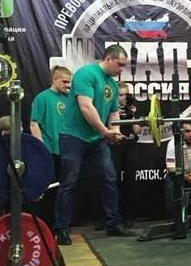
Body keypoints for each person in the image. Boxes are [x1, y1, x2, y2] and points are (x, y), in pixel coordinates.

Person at [54, 45, 133, 245]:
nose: (121, 69)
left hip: (96, 139)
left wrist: (115, 132)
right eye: (119, 64)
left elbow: (114, 113)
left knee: (109, 178)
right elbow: (86, 107)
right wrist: (105, 131)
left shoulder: (113, 85)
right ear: (108, 59)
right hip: (73, 136)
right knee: (69, 181)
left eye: (124, 66)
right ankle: (61, 229)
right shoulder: (86, 74)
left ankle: (113, 223)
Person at [110, 82, 141, 227]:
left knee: (130, 182)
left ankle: (130, 216)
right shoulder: (108, 108)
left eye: (125, 95)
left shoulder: (132, 109)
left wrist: (132, 115)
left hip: (130, 147)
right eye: (120, 95)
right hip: (114, 147)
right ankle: (111, 217)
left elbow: (137, 131)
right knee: (112, 181)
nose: (123, 98)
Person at [30, 65, 71, 176]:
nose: (67, 85)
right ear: (54, 79)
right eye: (64, 82)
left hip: (66, 149)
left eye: (69, 82)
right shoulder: (42, 97)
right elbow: (34, 124)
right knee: (49, 181)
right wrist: (41, 147)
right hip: (49, 149)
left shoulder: (68, 98)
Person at [164, 121, 191, 219]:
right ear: (181, 132)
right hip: (179, 175)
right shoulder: (172, 144)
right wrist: (185, 177)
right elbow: (170, 167)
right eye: (187, 131)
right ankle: (174, 218)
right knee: (169, 180)